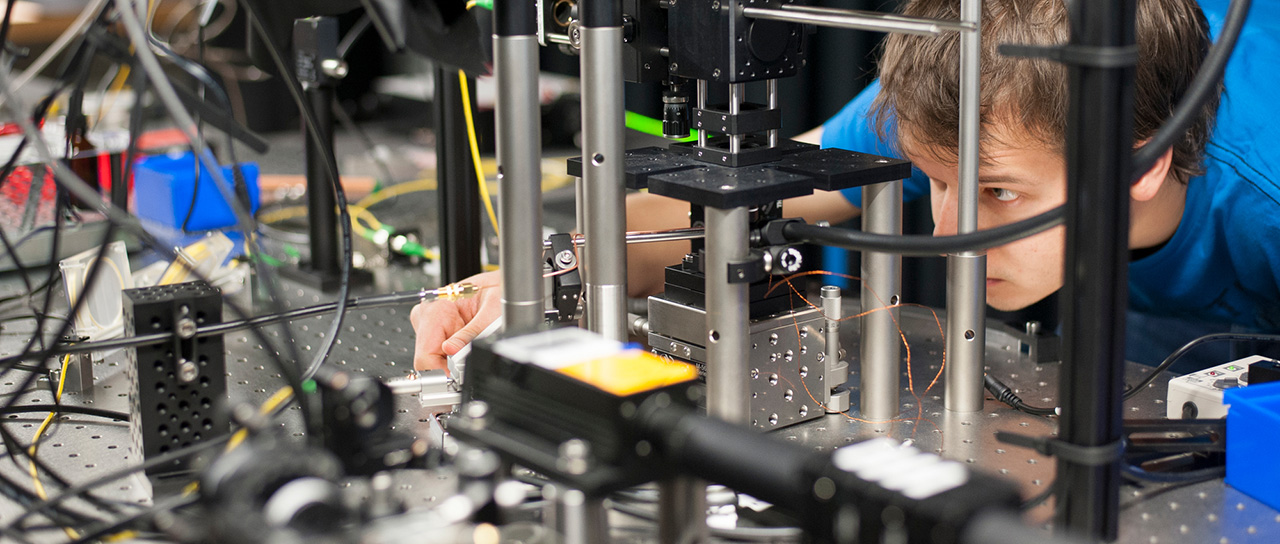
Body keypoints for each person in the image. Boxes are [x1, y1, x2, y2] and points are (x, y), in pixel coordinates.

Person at [412, 0, 1280, 373]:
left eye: (999, 196)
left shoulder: (1263, 184)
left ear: (1143, 160)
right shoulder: (967, 89)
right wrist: (545, 278)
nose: (949, 233)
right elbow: (750, 196)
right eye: (934, 183)